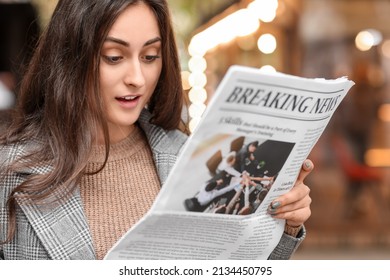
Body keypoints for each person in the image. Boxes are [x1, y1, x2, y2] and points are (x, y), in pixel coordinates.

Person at [0, 0, 313, 260]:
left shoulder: (190, 156)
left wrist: (285, 225)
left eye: (150, 57)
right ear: (71, 58)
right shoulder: (10, 169)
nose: (137, 77)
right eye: (114, 57)